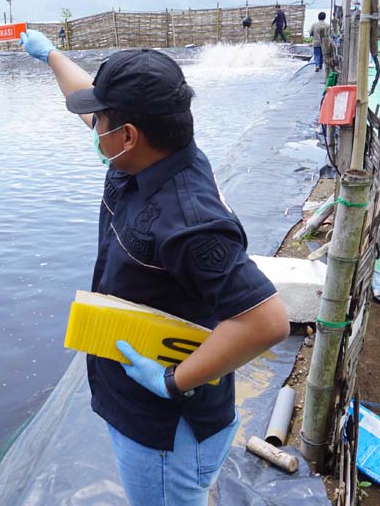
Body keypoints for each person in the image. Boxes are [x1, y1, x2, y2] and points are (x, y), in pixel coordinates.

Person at [18, 29, 290, 506]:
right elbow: (91, 109)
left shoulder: (190, 221)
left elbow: (266, 321)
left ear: (128, 134)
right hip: (136, 407)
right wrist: (52, 56)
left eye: (101, 119)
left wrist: (171, 381)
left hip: (167, 431)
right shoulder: (144, 157)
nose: (92, 125)